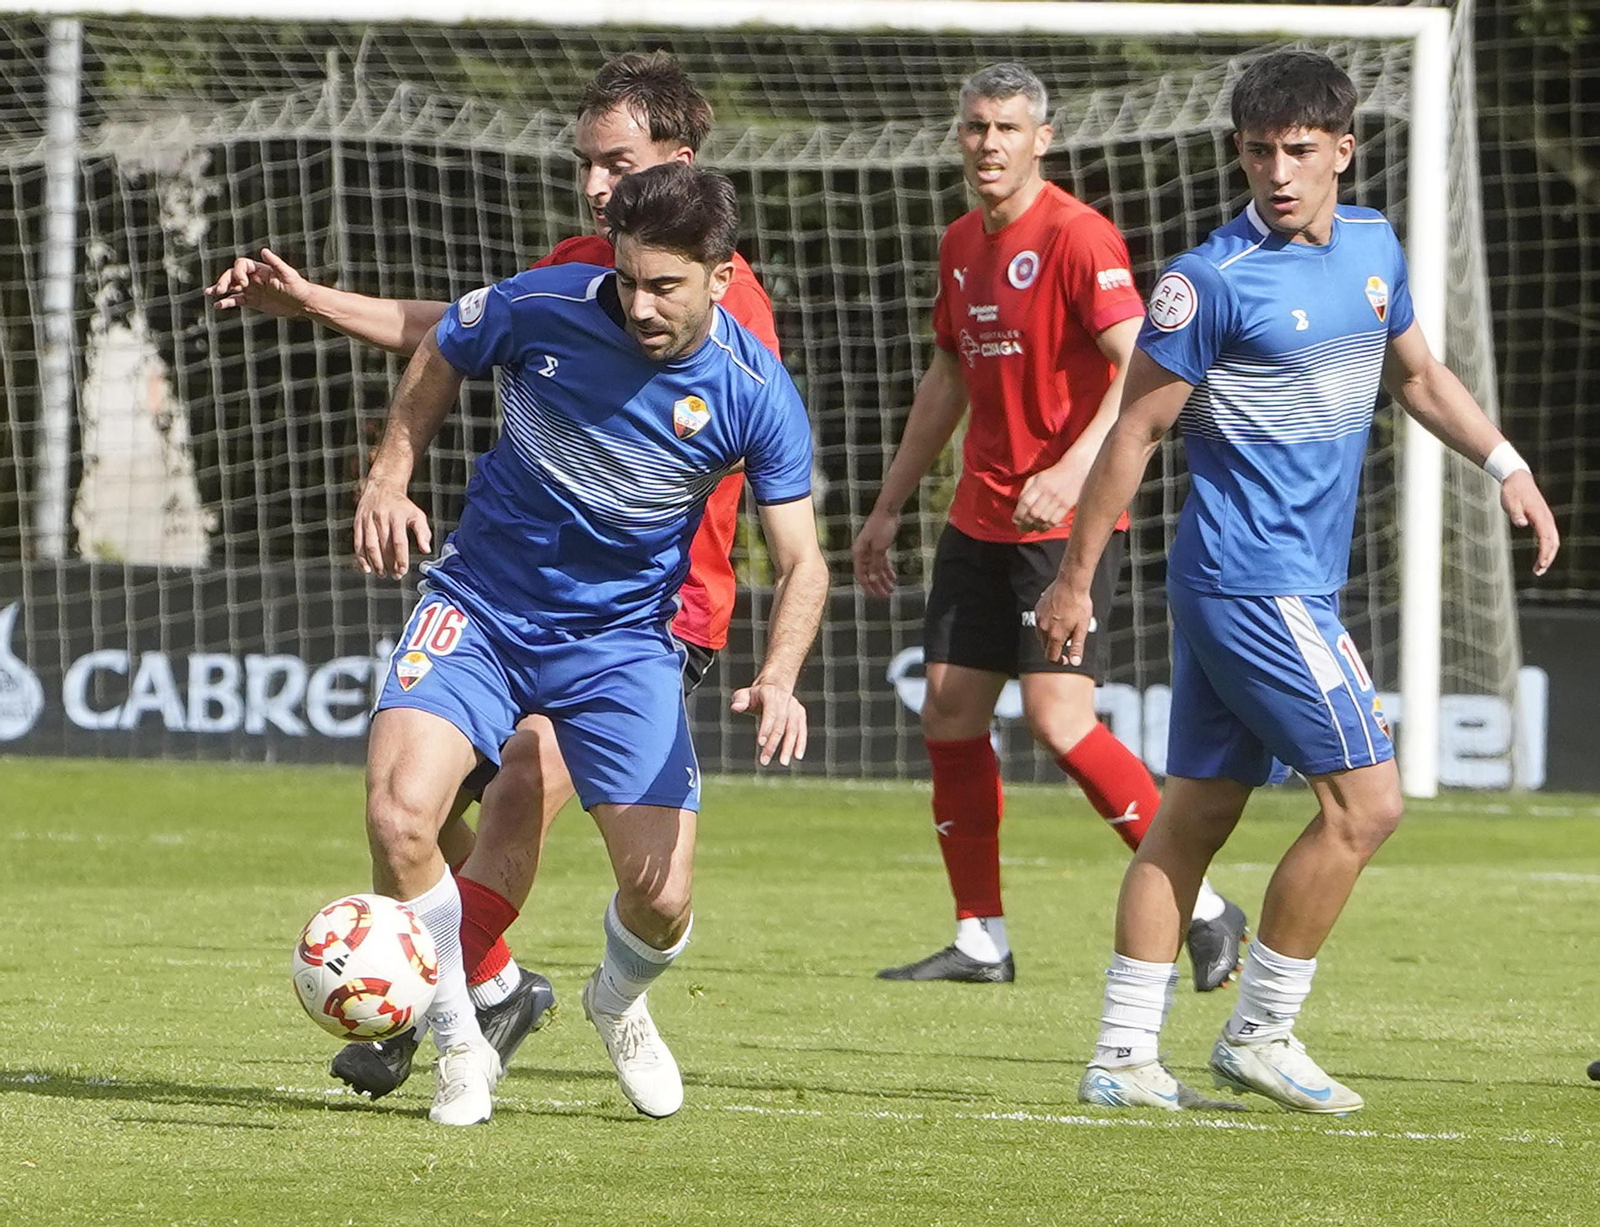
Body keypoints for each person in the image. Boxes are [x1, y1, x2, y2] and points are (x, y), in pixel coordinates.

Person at [206, 52, 782, 1100]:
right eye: (584, 164)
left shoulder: (727, 317)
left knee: (523, 784)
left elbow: (778, 507)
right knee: (409, 811)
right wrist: (316, 302)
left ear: (679, 161)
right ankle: (486, 989)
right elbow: (464, 326)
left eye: (617, 164)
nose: (595, 186)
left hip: (647, 620)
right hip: (505, 597)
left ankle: (446, 1004)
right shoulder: (587, 267)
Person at [1034, 50, 1561, 1113]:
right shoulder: (1209, 282)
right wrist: (1072, 579)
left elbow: (1418, 375)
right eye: (1257, 152)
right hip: (1249, 582)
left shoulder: (1371, 245)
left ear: (1343, 151)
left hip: (1282, 584)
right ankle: (1261, 1032)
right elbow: (1133, 434)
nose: (1277, 173)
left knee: (1193, 816)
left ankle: (1122, 1056)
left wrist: (1505, 464)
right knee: (1368, 804)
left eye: (1299, 151)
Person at [355, 162, 827, 1125]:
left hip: (619, 644)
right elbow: (444, 344)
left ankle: (615, 1001)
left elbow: (802, 561)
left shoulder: (754, 391)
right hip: (481, 606)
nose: (639, 305)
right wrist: (389, 477)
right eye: (628, 279)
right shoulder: (544, 305)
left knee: (662, 896)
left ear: (721, 276)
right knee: (401, 820)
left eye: (666, 286)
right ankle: (460, 1043)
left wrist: (780, 675)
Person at [851, 62, 1246, 988]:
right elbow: (948, 376)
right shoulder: (961, 242)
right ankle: (980, 937)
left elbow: (1138, 362)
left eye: (1007, 128)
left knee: (1057, 717)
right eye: (976, 127)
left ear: (1042, 139)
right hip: (980, 514)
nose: (989, 144)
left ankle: (1206, 905)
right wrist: (888, 504)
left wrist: (1071, 472)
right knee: (949, 708)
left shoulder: (1076, 234)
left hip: (1064, 523)